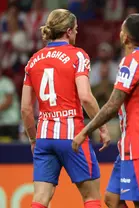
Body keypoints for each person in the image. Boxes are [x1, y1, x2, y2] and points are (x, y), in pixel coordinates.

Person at [73, 13, 139, 208]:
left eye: (122, 29)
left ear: (126, 36)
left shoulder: (131, 62)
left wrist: (85, 131)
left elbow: (112, 105)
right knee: (112, 198)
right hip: (133, 143)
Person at [21, 9, 110, 208]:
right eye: (76, 30)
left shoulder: (33, 60)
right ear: (68, 31)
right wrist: (102, 128)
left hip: (44, 136)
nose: (77, 34)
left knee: (40, 199)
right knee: (91, 196)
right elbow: (86, 97)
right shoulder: (78, 55)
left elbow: (26, 109)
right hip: (72, 136)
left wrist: (33, 139)